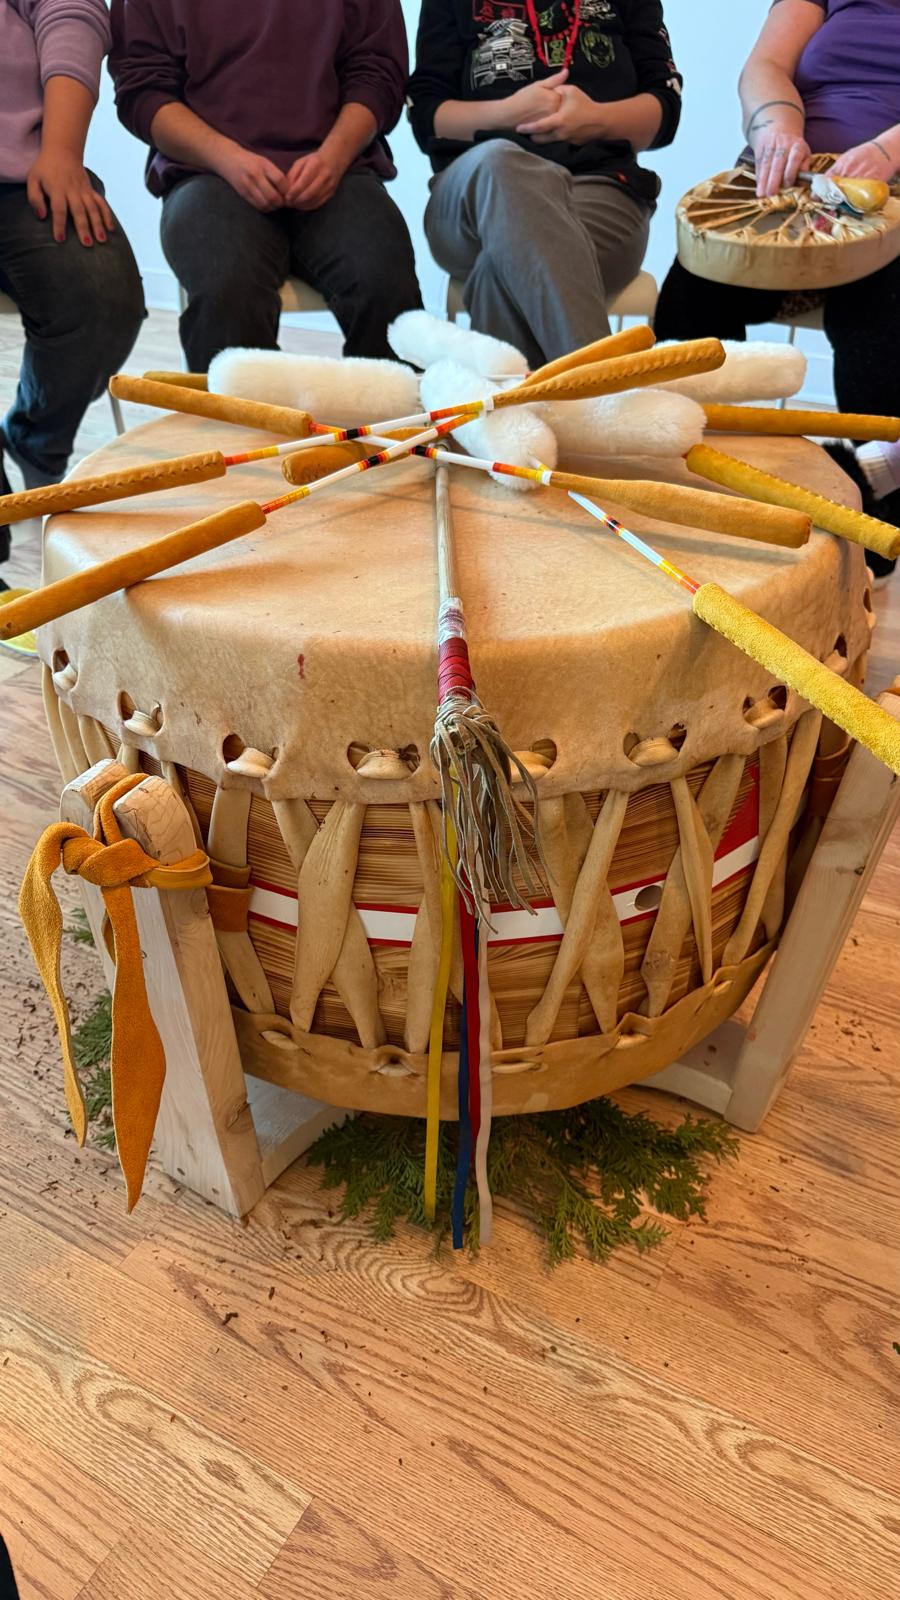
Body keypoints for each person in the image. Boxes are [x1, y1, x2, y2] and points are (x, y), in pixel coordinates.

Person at [654, 0, 900, 583]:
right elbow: (765, 67)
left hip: (892, 196)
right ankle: (696, 477)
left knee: (879, 312)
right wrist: (776, 129)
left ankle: (870, 507)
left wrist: (888, 153)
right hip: (790, 182)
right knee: (693, 295)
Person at [109, 0, 423, 373]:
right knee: (228, 292)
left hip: (338, 167)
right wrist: (226, 157)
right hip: (207, 172)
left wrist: (334, 156)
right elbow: (142, 91)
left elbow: (378, 72)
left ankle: (393, 413)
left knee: (387, 288)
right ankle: (236, 414)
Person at [408, 0, 682, 369]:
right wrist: (508, 114)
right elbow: (426, 116)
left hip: (597, 189)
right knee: (500, 161)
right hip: (473, 198)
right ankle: (599, 386)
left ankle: (517, 406)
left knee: (497, 275)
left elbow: (666, 107)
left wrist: (597, 119)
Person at [0, 0, 145, 586]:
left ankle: (35, 440)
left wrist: (61, 153)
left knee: (102, 295)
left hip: (25, 171)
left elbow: (72, 11)